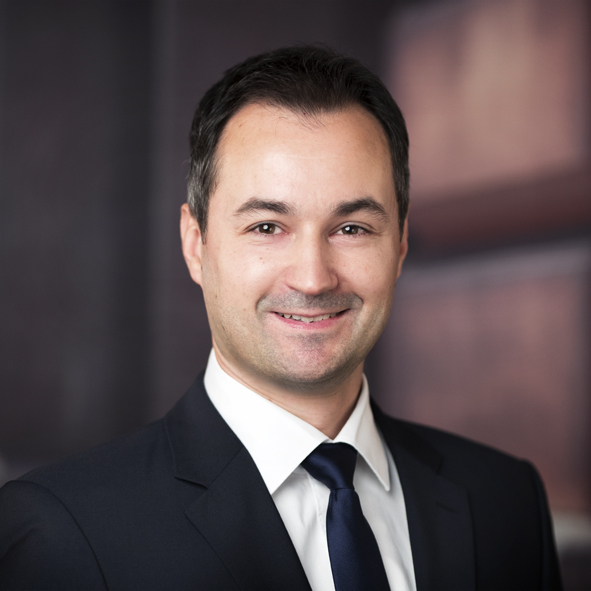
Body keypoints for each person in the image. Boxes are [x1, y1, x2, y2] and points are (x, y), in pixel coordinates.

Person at [0, 45, 561, 591]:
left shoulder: (505, 502)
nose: (313, 279)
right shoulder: (64, 533)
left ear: (400, 244)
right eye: (267, 227)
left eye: (352, 228)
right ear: (196, 245)